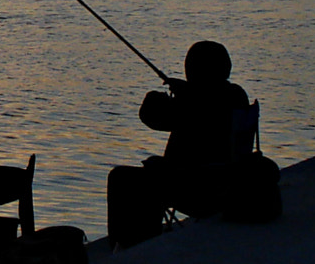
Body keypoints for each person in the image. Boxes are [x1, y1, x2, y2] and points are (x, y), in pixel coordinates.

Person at [110, 41, 259, 244]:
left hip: (196, 189)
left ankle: (129, 242)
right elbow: (209, 98)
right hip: (228, 183)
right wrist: (187, 90)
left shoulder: (192, 103)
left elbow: (151, 116)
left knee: (122, 177)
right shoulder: (236, 95)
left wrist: (156, 97)